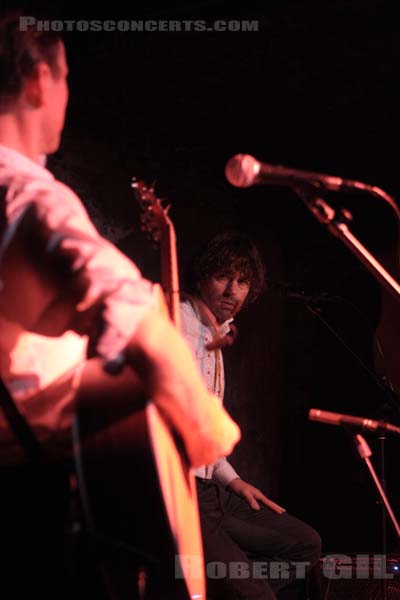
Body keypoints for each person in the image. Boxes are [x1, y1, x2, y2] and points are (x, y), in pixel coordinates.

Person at [0, 11, 240, 600]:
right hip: (40, 503)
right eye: (65, 78)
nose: (67, 93)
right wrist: (210, 432)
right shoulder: (32, 197)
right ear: (38, 78)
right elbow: (137, 322)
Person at [180, 231, 322, 600]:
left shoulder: (217, 334)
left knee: (305, 545)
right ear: (201, 275)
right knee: (256, 594)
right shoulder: (176, 321)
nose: (232, 291)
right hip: (180, 490)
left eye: (242, 281)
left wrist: (233, 480)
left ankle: (220, 586)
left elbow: (205, 433)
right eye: (223, 276)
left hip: (211, 490)